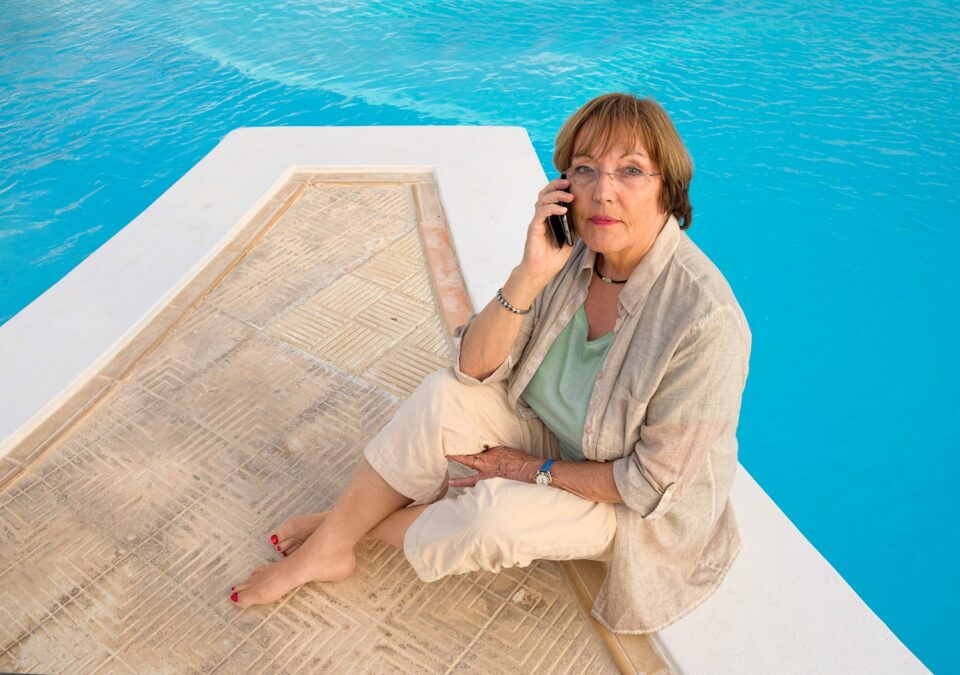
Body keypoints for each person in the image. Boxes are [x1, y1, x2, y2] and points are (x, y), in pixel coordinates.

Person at [230, 92, 752, 634]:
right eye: (585, 169)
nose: (604, 191)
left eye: (631, 171)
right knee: (442, 397)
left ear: (669, 187)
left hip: (629, 504)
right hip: (558, 434)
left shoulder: (703, 320)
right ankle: (333, 544)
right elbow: (472, 369)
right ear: (564, 185)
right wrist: (529, 274)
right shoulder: (571, 253)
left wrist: (527, 470)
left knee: (493, 516)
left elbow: (647, 485)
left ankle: (350, 528)